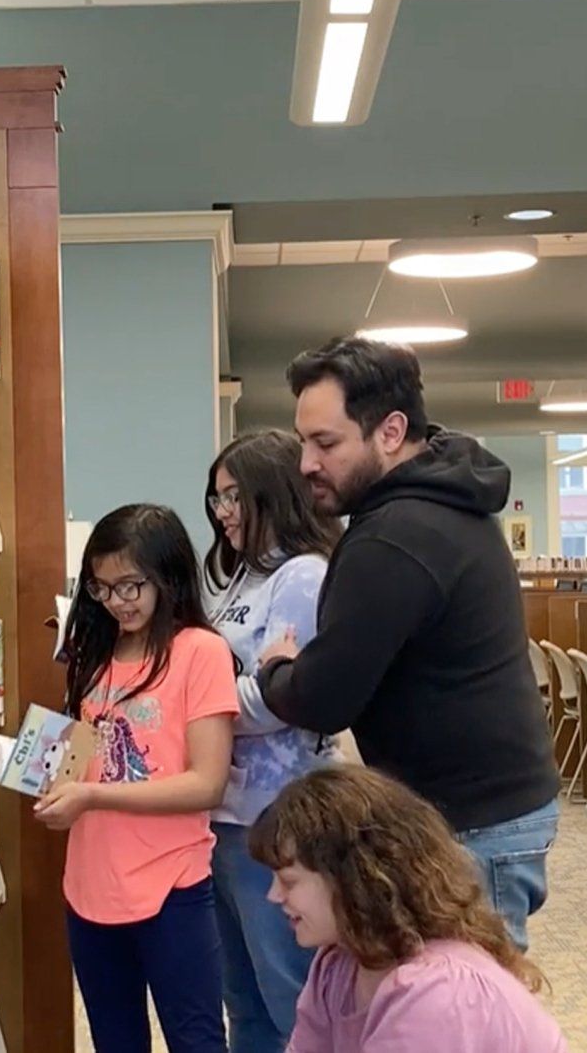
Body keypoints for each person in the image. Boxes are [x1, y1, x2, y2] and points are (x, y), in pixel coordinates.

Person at [255, 339, 561, 949]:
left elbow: (324, 699)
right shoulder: (445, 498)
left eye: (326, 443)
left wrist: (277, 671)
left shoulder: (395, 535)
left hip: (472, 820)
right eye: (304, 443)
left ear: (390, 431)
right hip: (486, 803)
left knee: (470, 1018)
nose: (307, 464)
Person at [38, 503, 238, 1053]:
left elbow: (207, 784)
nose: (118, 602)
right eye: (102, 589)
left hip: (171, 884)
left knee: (195, 1039)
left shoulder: (201, 652)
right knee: (114, 1041)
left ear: (168, 577)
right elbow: (81, 756)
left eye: (131, 586)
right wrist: (56, 786)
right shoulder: (94, 653)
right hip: (88, 885)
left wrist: (92, 795)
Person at [249, 765, 567, 1053]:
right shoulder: (337, 964)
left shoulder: (436, 991)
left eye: (289, 881)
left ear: (351, 879)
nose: (273, 896)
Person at [202, 430, 344, 1053]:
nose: (223, 512)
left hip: (280, 819)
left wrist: (203, 708)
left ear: (272, 494)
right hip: (226, 814)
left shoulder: (302, 577)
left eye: (235, 496)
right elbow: (248, 686)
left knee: (292, 996)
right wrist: (238, 688)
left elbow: (283, 699)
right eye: (217, 498)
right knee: (243, 999)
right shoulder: (242, 580)